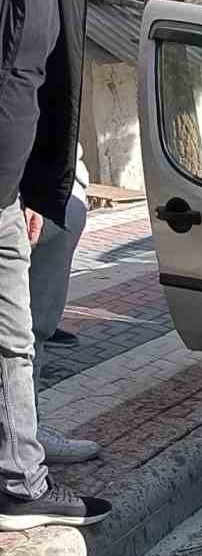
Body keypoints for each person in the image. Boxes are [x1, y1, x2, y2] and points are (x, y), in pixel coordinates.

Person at [0, 0, 142, 530]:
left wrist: (38, 190)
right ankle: (20, 476)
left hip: (7, 195)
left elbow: (53, 94)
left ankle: (19, 466)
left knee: (14, 337)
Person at [29, 144, 100, 463]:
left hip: (51, 183)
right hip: (30, 190)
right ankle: (22, 439)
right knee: (23, 327)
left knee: (34, 323)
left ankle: (25, 431)